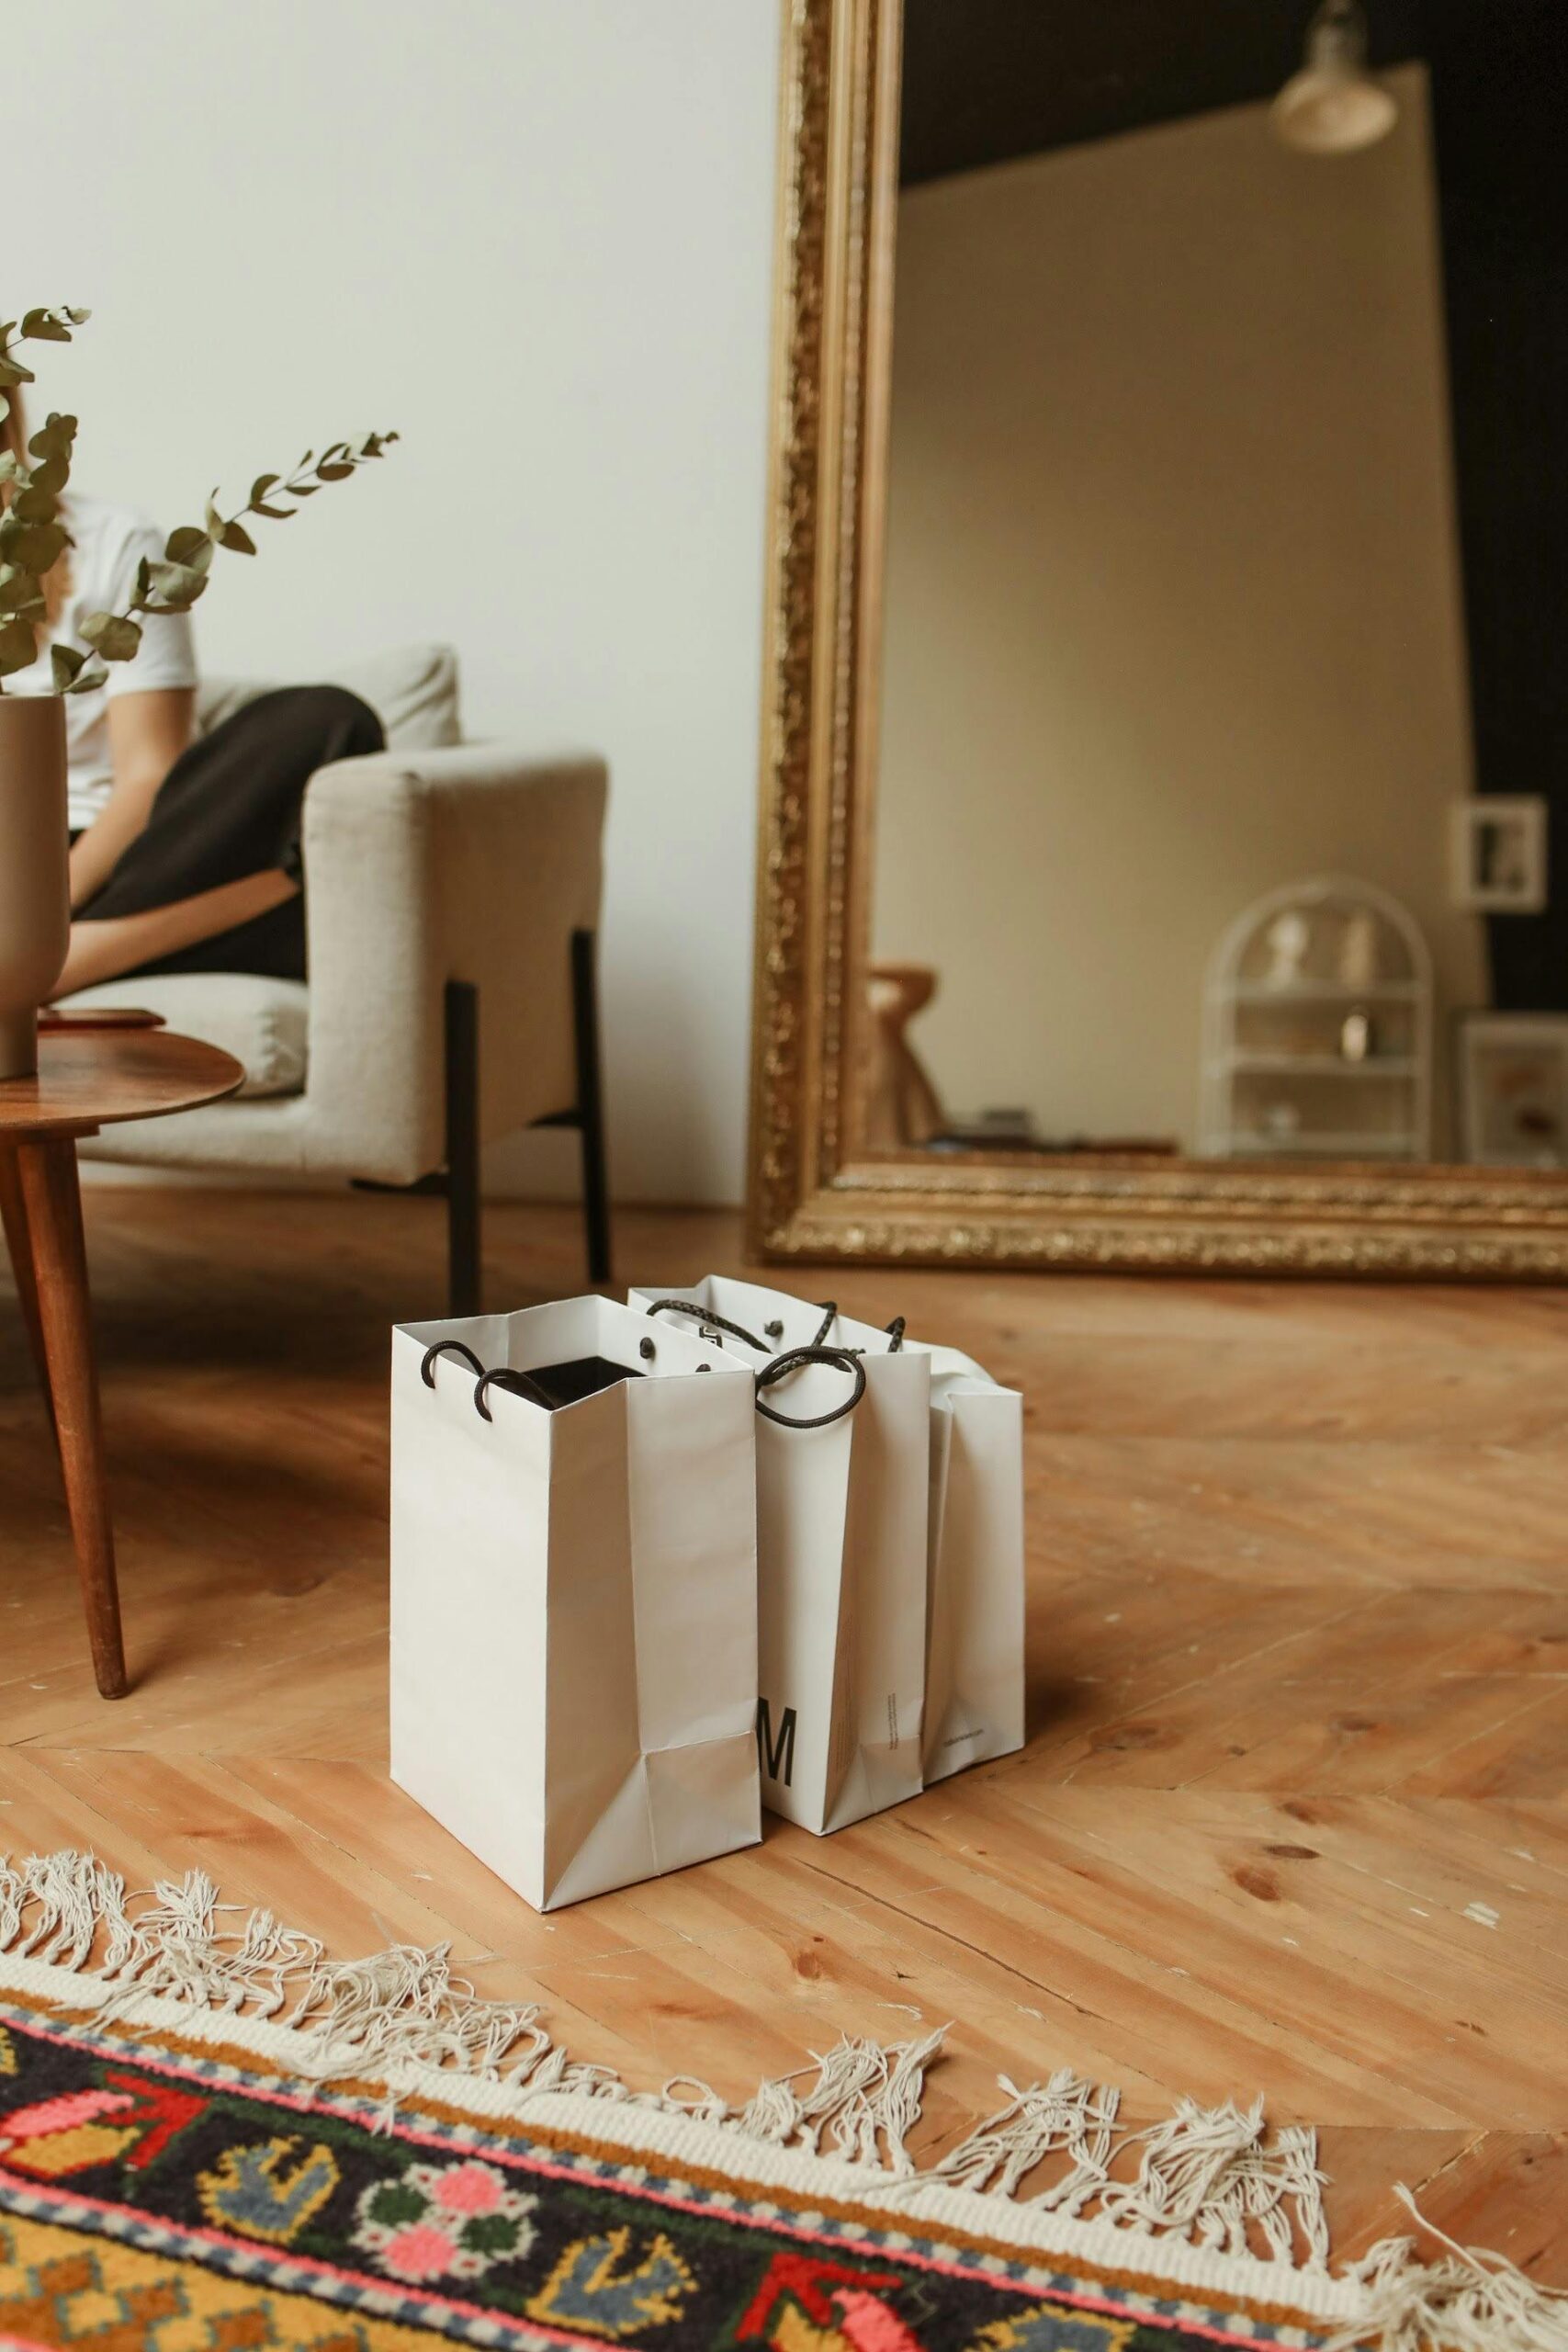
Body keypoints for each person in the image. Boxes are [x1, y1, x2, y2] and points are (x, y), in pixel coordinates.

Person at [3, 390, 384, 996]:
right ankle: (235, 918)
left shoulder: (113, 541)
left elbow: (149, 774)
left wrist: (37, 917)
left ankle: (46, 968)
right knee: (295, 911)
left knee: (329, 719)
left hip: (105, 861)